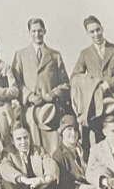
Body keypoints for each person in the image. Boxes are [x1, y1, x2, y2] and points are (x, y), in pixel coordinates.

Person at [70, 16, 114, 147]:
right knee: (100, 144)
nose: (96, 34)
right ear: (87, 34)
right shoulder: (85, 53)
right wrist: (92, 86)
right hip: (97, 106)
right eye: (92, 32)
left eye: (98, 30)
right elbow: (75, 77)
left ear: (102, 29)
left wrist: (107, 84)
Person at [11, 19, 70, 154]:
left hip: (51, 112)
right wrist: (29, 96)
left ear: (44, 31)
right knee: (34, 150)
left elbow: (66, 83)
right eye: (33, 31)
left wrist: (53, 93)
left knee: (53, 148)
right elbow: (16, 83)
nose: (37, 34)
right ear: (29, 33)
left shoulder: (55, 55)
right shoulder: (20, 55)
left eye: (39, 31)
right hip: (30, 112)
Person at [50, 115, 87, 189]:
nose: (73, 133)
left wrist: (83, 160)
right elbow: (62, 187)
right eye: (69, 129)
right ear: (62, 133)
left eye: (75, 129)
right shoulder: (58, 155)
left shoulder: (84, 150)